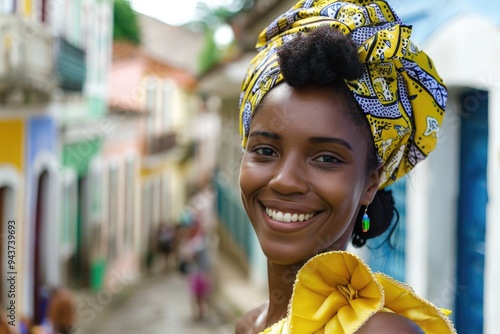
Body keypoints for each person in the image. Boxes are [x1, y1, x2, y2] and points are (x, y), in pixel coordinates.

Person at [235, 0, 455, 333]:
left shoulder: (378, 331)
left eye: (326, 158)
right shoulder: (250, 326)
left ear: (370, 182)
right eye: (265, 150)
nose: (284, 181)